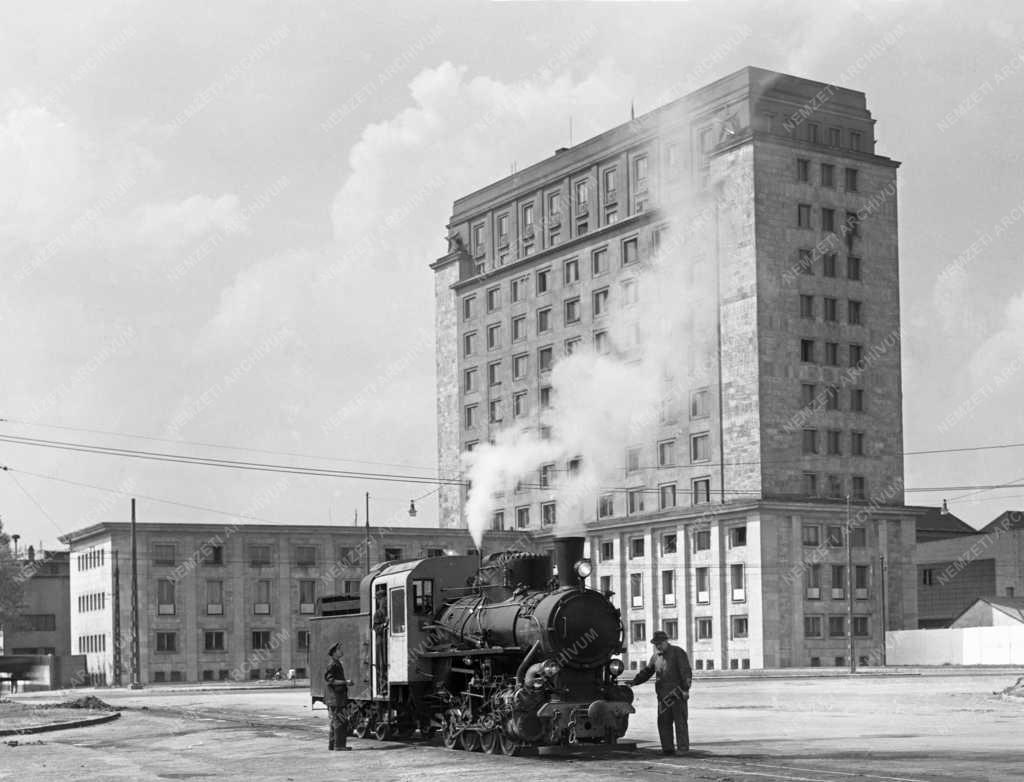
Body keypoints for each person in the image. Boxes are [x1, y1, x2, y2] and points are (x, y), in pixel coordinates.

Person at [627, 630, 692, 755]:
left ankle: (683, 749)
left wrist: (685, 689)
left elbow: (686, 672)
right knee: (663, 723)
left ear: (666, 641)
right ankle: (667, 748)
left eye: (660, 643)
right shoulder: (656, 657)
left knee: (680, 723)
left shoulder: (678, 653)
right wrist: (634, 682)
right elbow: (647, 672)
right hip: (663, 696)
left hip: (677, 694)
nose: (658, 646)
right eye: (656, 644)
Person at [325, 641, 354, 751]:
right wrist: (345, 682)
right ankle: (339, 746)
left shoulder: (336, 663)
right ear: (334, 652)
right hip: (336, 698)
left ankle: (333, 745)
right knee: (339, 721)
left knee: (335, 722)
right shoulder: (332, 664)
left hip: (337, 698)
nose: (341, 651)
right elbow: (330, 680)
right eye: (339, 649)